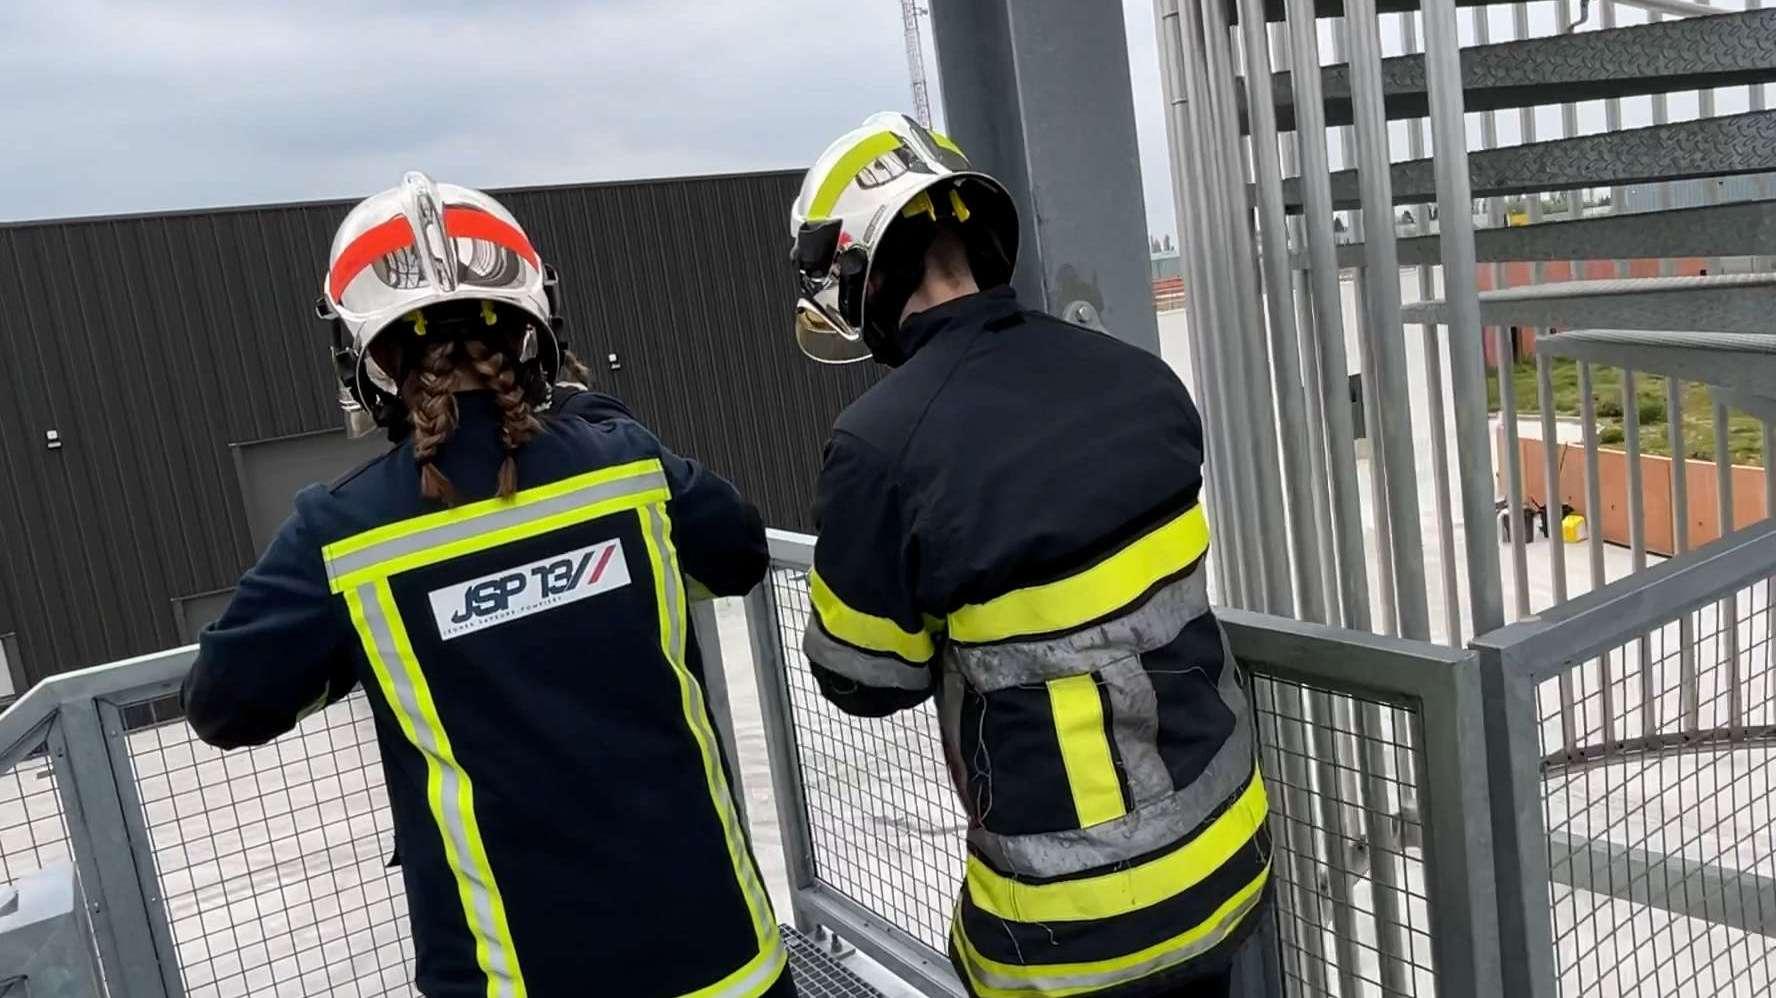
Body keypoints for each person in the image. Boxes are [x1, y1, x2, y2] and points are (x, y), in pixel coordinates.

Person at [183, 172, 793, 998]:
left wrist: (357, 652)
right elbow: (739, 554)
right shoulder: (628, 466)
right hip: (727, 962)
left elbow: (221, 705)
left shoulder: (340, 532)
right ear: (534, 323)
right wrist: (597, 420)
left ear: (365, 353)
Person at [789, 114, 1271, 997]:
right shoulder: (1141, 377)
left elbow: (862, 680)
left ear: (861, 275)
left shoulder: (880, 444)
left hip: (1071, 925)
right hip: (1227, 855)